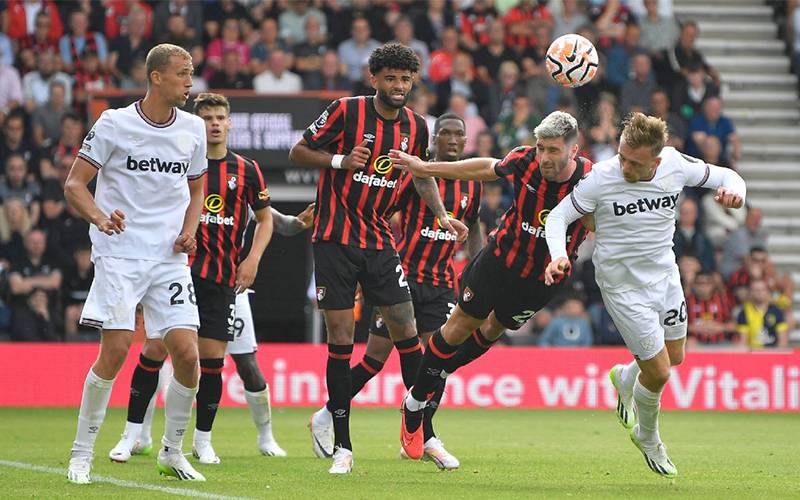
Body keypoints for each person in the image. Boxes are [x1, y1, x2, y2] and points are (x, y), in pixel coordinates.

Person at [107, 92, 314, 464]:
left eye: (220, 117)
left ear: (229, 123)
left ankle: (202, 442)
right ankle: (131, 435)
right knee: (154, 350)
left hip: (221, 277)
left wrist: (252, 259)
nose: (215, 124)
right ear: (196, 122)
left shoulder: (247, 169)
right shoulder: (178, 160)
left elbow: (265, 217)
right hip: (177, 271)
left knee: (214, 360)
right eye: (207, 118)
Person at [289, 43, 466, 474]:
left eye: (405, 79)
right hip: (334, 238)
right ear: (374, 79)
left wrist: (442, 216)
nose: (398, 86)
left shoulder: (417, 126)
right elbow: (298, 151)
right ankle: (343, 447)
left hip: (380, 240)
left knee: (406, 329)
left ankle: (423, 432)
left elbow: (421, 177)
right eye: (390, 78)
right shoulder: (346, 111)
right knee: (341, 338)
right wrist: (339, 160)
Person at [544, 112, 746, 479]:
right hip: (622, 286)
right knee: (660, 372)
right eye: (621, 155)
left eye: (633, 162)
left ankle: (624, 377)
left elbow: (727, 175)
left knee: (676, 356)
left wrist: (737, 193)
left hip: (664, 276)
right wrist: (559, 255)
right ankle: (648, 437)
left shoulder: (674, 164)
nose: (623, 165)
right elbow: (557, 218)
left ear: (656, 159)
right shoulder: (601, 178)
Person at [390, 111, 594, 461]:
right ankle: (414, 405)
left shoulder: (593, 179)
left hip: (543, 277)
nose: (544, 157)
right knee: (459, 327)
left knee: (492, 331)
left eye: (553, 151)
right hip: (499, 261)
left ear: (573, 151)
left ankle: (432, 377)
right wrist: (427, 169)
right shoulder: (525, 160)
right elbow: (482, 167)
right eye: (541, 148)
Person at [64, 43, 208, 484]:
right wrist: (100, 218)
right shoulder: (114, 123)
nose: (190, 81)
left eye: (191, 72)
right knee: (117, 349)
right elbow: (75, 185)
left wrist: (191, 230)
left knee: (186, 354)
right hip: (121, 252)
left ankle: (171, 451)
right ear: (157, 77)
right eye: (183, 73)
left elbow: (197, 189)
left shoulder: (194, 129)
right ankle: (81, 453)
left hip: (168, 258)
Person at [309, 113, 484, 470]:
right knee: (374, 360)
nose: (452, 140)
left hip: (439, 285)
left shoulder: (472, 183)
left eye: (458, 135)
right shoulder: (414, 175)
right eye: (445, 134)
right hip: (403, 275)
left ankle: (420, 436)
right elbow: (380, 212)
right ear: (433, 140)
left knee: (437, 362)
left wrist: (475, 269)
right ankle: (328, 413)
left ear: (466, 142)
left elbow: (475, 225)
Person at [736, 279, 789, 349]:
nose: (759, 292)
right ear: (751, 292)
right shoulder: (744, 312)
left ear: (768, 292)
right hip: (752, 354)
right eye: (756, 290)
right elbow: (743, 341)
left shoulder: (777, 312)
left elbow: (783, 342)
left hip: (772, 353)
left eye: (762, 289)